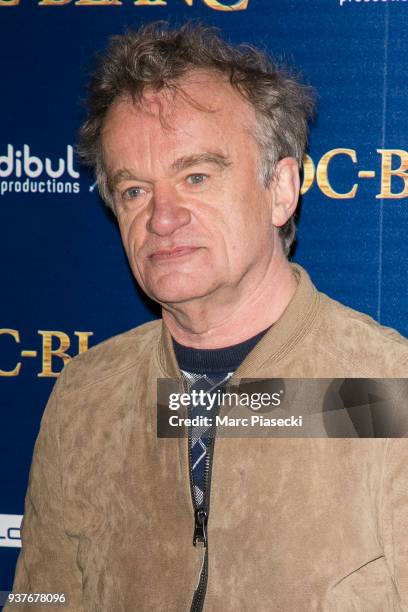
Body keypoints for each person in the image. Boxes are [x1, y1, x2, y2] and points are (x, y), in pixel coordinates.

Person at [7, 22, 408, 612]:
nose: (162, 218)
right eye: (135, 191)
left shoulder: (387, 392)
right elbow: (40, 597)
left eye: (196, 176)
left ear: (281, 189)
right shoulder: (87, 393)